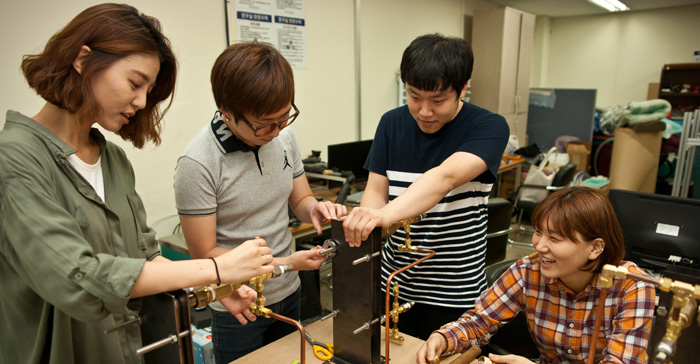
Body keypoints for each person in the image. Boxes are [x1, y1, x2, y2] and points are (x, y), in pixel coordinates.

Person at [0, 4, 275, 363]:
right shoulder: (15, 159)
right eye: (134, 83)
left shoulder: (112, 160)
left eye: (149, 90)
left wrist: (211, 286)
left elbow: (145, 257)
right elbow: (77, 279)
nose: (142, 101)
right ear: (83, 59)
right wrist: (219, 268)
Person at [173, 40, 347, 362]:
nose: (277, 130)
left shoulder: (284, 137)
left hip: (289, 290)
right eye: (264, 123)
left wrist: (314, 209)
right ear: (226, 112)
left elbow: (300, 197)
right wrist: (286, 264)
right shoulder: (197, 163)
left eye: (284, 117)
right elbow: (207, 257)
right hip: (238, 306)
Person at [342, 33, 510, 340]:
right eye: (414, 96)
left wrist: (384, 216)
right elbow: (377, 190)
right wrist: (366, 218)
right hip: (393, 283)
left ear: (463, 88)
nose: (424, 111)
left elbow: (443, 178)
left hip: (454, 290)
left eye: (438, 100)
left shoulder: (489, 126)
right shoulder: (391, 123)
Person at [417, 187, 656, 364]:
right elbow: (479, 322)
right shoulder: (528, 271)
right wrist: (443, 338)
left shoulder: (632, 287)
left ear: (595, 248)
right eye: (538, 232)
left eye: (554, 238)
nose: (539, 246)